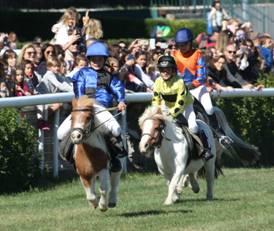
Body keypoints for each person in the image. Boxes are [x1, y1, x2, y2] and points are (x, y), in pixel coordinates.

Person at [57, 41, 127, 172]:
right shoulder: (82, 73)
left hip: (101, 108)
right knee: (60, 132)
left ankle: (115, 158)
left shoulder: (109, 76)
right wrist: (83, 104)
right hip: (83, 108)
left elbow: (118, 88)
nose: (97, 62)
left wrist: (121, 100)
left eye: (100, 59)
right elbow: (78, 92)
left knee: (116, 129)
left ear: (104, 59)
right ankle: (71, 157)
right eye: (94, 59)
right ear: (89, 59)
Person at [172, 27, 231, 149]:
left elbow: (201, 77)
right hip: (182, 90)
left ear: (191, 42)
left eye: (185, 44)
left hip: (196, 87)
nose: (182, 47)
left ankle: (220, 134)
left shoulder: (198, 54)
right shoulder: (174, 55)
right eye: (179, 44)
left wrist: (190, 85)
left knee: (209, 108)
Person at [152, 55, 213, 161]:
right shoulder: (157, 82)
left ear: (173, 70)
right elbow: (156, 99)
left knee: (193, 126)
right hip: (167, 106)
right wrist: (154, 112)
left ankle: (204, 149)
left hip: (185, 106)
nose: (165, 72)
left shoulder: (179, 82)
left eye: (168, 69)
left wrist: (170, 114)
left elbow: (180, 103)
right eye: (162, 69)